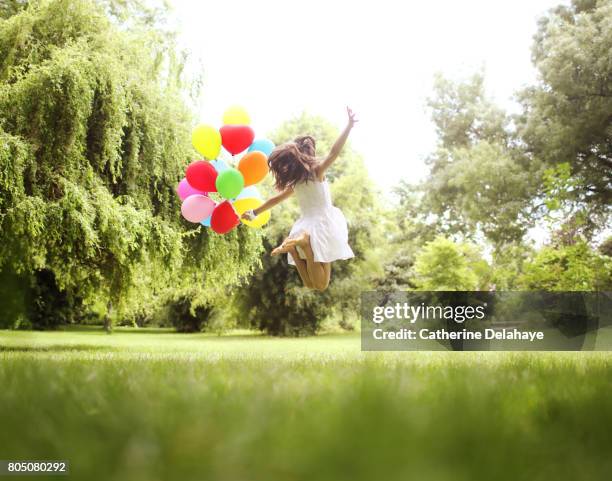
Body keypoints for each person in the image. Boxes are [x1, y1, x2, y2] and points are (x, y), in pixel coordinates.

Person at [241, 107, 358, 291]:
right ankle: (302, 245)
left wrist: (254, 212)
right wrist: (349, 126)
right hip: (323, 224)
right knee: (320, 285)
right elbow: (334, 152)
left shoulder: (296, 182)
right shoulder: (316, 171)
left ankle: (294, 250)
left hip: (305, 226)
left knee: (311, 284)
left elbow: (275, 199)